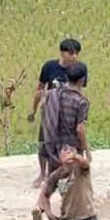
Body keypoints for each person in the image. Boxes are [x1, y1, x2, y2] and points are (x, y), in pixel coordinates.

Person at [28, 38, 86, 185]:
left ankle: (73, 170)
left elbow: (80, 90)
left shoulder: (79, 69)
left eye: (76, 53)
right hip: (50, 109)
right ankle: (43, 173)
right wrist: (34, 109)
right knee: (44, 141)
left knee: (72, 140)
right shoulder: (49, 67)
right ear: (62, 53)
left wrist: (82, 112)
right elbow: (40, 88)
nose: (74, 56)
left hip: (68, 110)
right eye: (71, 53)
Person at [39, 61, 89, 180]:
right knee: (75, 179)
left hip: (52, 144)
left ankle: (47, 178)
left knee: (54, 180)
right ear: (83, 80)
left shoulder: (52, 93)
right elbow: (80, 129)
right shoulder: (81, 101)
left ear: (67, 77)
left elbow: (42, 105)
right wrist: (87, 150)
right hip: (70, 149)